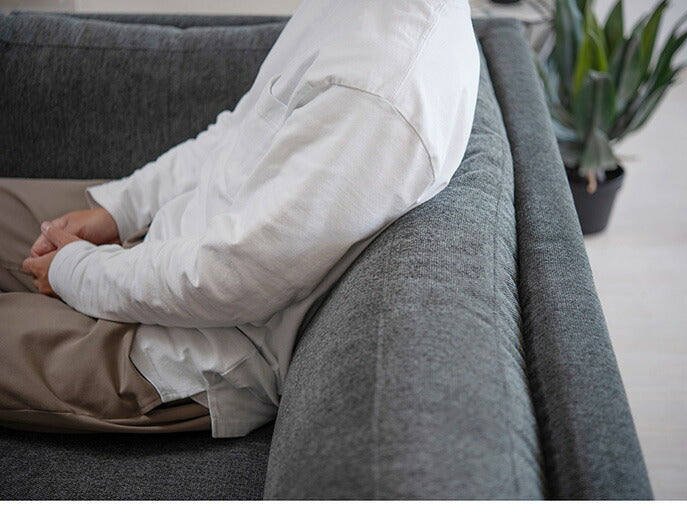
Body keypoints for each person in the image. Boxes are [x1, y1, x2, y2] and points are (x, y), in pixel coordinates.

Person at [0, 0, 479, 438]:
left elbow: (228, 279)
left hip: (189, 347)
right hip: (160, 250)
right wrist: (119, 210)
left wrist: (75, 270)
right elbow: (238, 132)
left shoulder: (381, 88)